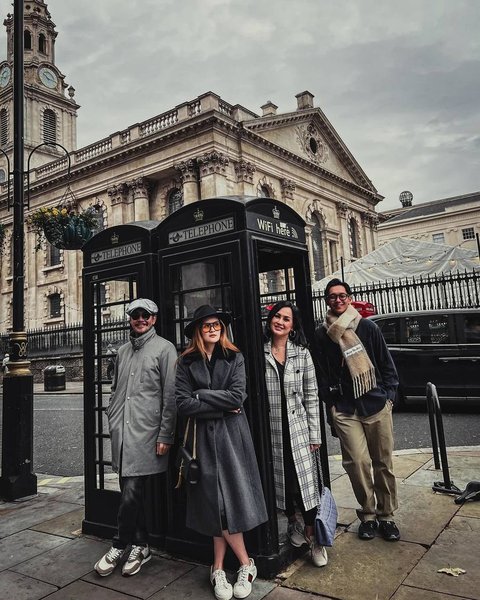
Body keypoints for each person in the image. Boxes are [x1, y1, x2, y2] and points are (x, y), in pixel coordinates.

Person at [175, 305, 267, 600]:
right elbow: (183, 403)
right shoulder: (186, 362)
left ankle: (224, 567)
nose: (213, 329)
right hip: (202, 440)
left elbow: (238, 396)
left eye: (216, 325)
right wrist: (220, 404)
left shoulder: (234, 357)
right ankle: (241, 564)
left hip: (232, 438)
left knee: (228, 502)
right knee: (216, 502)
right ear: (198, 331)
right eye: (207, 326)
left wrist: (201, 395)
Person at [94, 298, 177, 577]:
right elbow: (116, 387)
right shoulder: (123, 351)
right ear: (130, 319)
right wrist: (112, 414)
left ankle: (119, 544)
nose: (140, 319)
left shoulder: (165, 349)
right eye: (135, 315)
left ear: (153, 318)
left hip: (147, 433)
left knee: (130, 493)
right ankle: (141, 545)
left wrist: (166, 434)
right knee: (131, 492)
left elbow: (171, 396)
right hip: (123, 432)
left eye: (145, 315)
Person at [314, 279, 400, 542]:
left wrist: (389, 398)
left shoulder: (368, 327)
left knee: (383, 463)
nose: (337, 300)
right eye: (332, 297)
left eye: (341, 296)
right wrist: (330, 403)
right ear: (327, 301)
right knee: (357, 463)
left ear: (349, 298)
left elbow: (387, 366)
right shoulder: (322, 334)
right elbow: (322, 374)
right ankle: (368, 515)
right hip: (345, 407)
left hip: (375, 403)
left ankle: (387, 516)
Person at [263, 301, 328, 568]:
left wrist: (315, 434)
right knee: (285, 481)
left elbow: (312, 396)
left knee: (307, 487)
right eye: (276, 316)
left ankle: (316, 538)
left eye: (286, 319)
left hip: (299, 428)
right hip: (273, 430)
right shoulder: (261, 352)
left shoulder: (302, 354)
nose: (280, 321)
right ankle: (294, 525)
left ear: (292, 326)